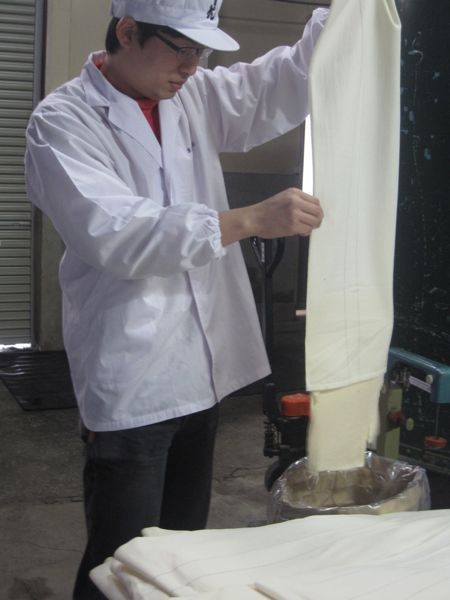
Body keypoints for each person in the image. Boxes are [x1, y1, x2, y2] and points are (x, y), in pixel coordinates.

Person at [25, 1, 327, 597]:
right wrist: (247, 220)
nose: (193, 66)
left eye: (201, 51)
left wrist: (341, 17)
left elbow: (283, 82)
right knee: (121, 562)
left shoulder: (191, 95)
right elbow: (118, 235)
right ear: (127, 32)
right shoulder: (62, 122)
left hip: (199, 372)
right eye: (181, 49)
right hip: (133, 378)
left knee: (181, 555)